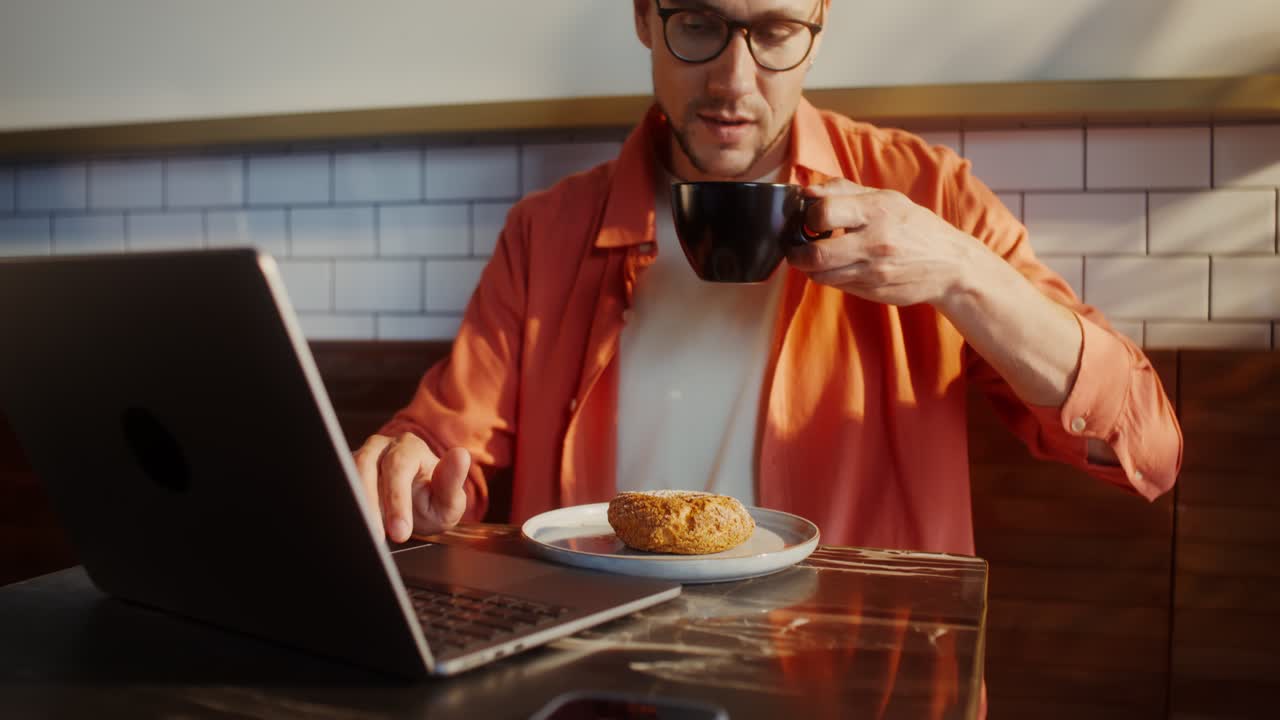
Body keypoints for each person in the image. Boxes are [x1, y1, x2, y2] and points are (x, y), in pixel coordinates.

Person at [353, 0, 1181, 555]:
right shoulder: (547, 233)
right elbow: (444, 439)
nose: (734, 81)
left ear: (821, 22)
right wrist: (408, 470)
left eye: (777, 28)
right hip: (596, 683)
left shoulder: (925, 196)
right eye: (701, 23)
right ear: (646, 15)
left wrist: (962, 273)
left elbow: (1143, 442)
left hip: (852, 688)